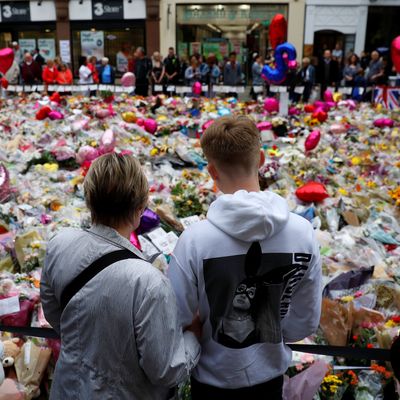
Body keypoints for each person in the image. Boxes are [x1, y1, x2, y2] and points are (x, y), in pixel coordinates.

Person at [168, 116, 322, 400]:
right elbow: (306, 322)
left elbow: (173, 317)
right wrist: (270, 327)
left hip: (212, 383)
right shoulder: (303, 233)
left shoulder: (194, 241)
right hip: (270, 379)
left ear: (212, 172)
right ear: (261, 158)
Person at [41, 152, 201, 399]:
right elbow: (167, 371)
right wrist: (194, 337)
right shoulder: (149, 283)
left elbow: (55, 315)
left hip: (67, 389)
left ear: (89, 198)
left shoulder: (60, 244)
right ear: (140, 209)